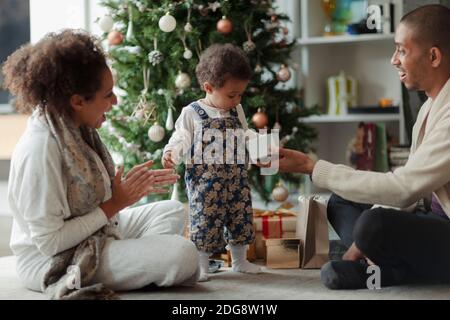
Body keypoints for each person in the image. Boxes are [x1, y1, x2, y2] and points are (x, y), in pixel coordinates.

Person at [2, 29, 199, 299]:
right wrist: (115, 204)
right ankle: (135, 266)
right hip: (52, 259)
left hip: (95, 233)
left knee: (173, 210)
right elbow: (50, 243)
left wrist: (127, 192)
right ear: (77, 101)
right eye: (108, 94)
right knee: (183, 254)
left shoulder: (72, 125)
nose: (115, 101)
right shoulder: (41, 148)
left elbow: (95, 200)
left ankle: (134, 265)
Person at [274, 4, 450, 289]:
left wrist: (312, 167)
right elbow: (409, 197)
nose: (393, 60)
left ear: (433, 56)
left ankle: (388, 268)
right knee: (341, 201)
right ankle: (391, 269)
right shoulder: (431, 106)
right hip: (427, 217)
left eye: (402, 50)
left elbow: (404, 189)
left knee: (375, 224)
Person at [162, 43, 261, 281]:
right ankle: (201, 264)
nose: (237, 99)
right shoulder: (193, 112)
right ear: (208, 87)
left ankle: (239, 260)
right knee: (205, 220)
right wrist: (172, 152)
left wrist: (261, 148)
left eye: (240, 94)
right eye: (231, 94)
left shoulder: (236, 111)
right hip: (205, 183)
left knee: (241, 216)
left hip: (236, 178)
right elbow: (181, 136)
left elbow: (246, 134)